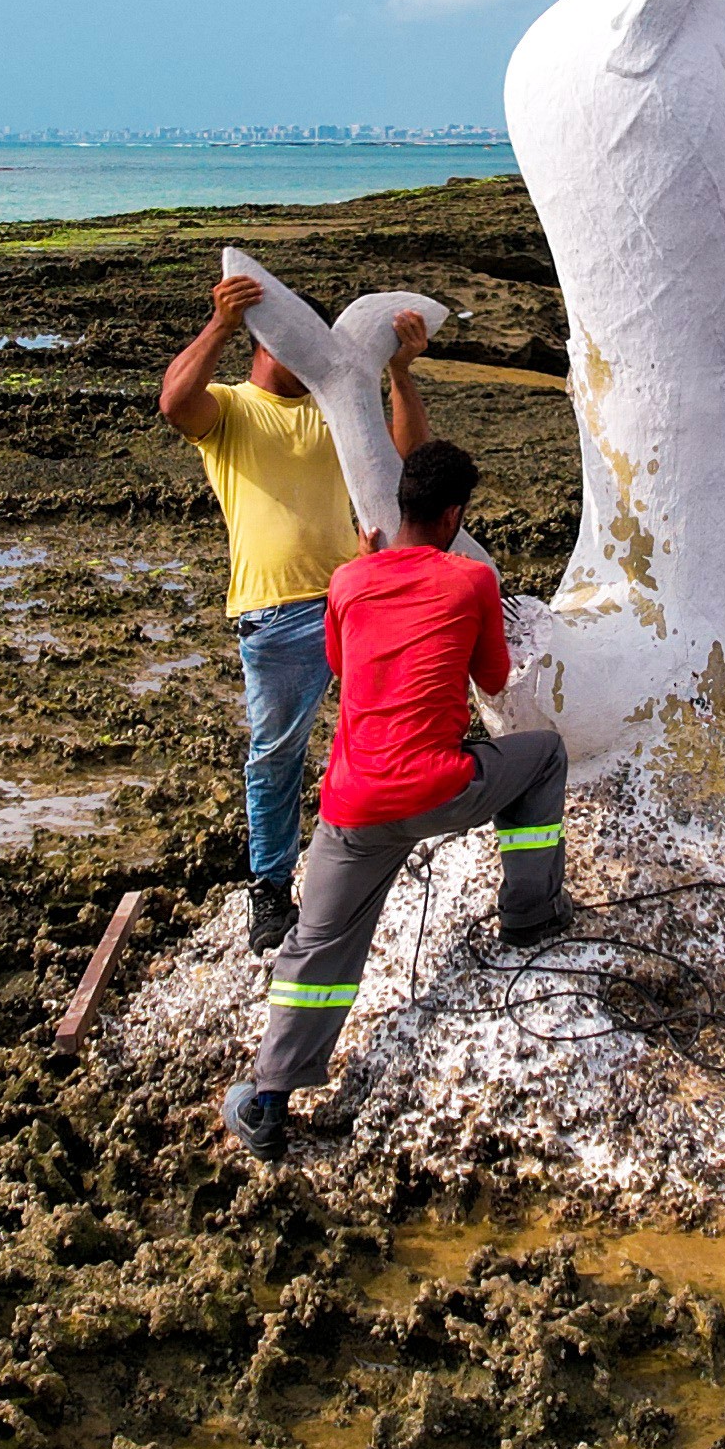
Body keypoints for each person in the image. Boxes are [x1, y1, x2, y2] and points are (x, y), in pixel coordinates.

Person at [226, 439, 572, 1164]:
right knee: (544, 759)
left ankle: (268, 1099)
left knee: (318, 946)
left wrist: (367, 570)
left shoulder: (347, 581)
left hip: (352, 807)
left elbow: (342, 663)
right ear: (452, 516)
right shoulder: (472, 579)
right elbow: (496, 674)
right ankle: (529, 915)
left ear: (397, 509)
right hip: (440, 787)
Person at [157, 270, 424, 947]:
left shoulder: (337, 407)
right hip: (274, 613)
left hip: (359, 598)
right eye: (289, 343)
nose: (302, 360)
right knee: (275, 756)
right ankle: (271, 889)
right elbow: (173, 403)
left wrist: (400, 374)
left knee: (387, 736)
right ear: (265, 341)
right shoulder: (232, 410)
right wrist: (219, 323)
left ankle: (389, 861)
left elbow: (410, 461)